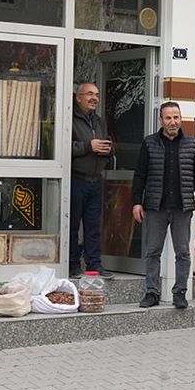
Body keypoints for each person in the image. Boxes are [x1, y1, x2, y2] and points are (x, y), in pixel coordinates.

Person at [132, 102, 195, 309]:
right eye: (168, 118)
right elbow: (139, 175)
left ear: (180, 118)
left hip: (182, 207)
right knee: (152, 251)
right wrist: (136, 202)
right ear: (161, 120)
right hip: (155, 207)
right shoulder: (149, 143)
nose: (173, 122)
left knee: (183, 252)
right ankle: (151, 293)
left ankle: (180, 293)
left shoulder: (192, 144)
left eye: (176, 117)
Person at [70, 82, 114, 279]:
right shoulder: (69, 119)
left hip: (96, 181)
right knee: (72, 226)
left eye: (96, 94)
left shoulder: (98, 121)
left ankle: (94, 265)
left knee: (94, 226)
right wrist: (89, 146)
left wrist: (108, 149)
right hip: (76, 180)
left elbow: (107, 144)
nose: (94, 98)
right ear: (78, 97)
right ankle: (72, 265)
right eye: (89, 94)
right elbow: (62, 149)